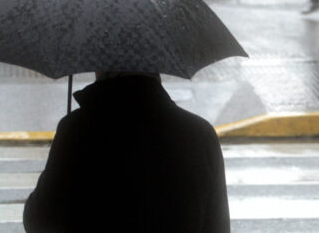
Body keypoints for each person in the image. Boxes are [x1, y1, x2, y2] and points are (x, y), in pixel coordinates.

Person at [23, 72, 230, 232]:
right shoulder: (199, 133)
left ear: (101, 70)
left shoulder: (78, 129)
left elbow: (40, 219)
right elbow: (217, 225)